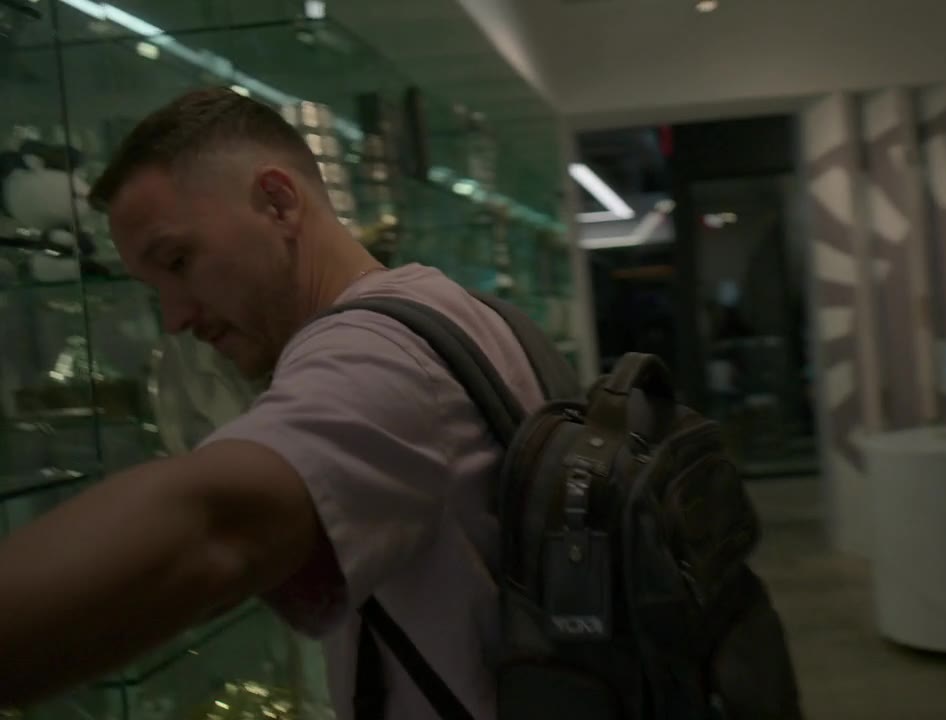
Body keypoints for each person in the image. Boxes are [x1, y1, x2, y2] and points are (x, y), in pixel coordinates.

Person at [0, 87, 545, 720]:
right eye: (155, 288)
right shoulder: (446, 310)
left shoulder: (377, 350)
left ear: (279, 203)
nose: (174, 317)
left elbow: (215, 530)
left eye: (179, 261)